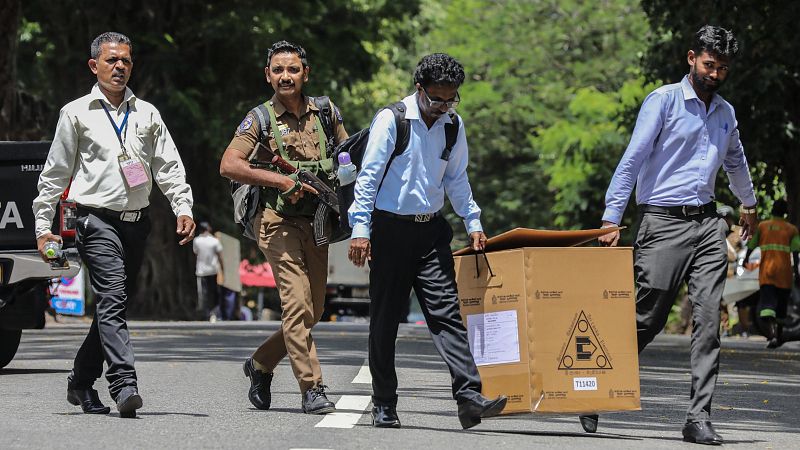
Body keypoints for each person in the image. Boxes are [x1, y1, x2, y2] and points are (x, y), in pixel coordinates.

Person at [596, 25, 757, 445]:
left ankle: (698, 418)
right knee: (646, 318)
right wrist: (612, 218)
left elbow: (736, 161)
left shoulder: (725, 113)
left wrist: (749, 203)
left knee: (708, 321)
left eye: (722, 68)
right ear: (691, 58)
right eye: (709, 65)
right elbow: (633, 159)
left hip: (708, 224)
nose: (715, 74)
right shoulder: (663, 100)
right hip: (662, 223)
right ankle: (594, 383)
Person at [32, 32, 195, 418]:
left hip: (136, 223)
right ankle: (124, 384)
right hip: (94, 220)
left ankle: (80, 381)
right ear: (94, 66)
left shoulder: (147, 114)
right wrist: (42, 226)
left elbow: (168, 166)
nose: (120, 66)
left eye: (126, 60)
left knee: (114, 304)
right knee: (113, 299)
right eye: (111, 60)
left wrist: (183, 206)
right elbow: (55, 174)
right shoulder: (76, 113)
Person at [348, 53, 507, 430]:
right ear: (419, 89)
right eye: (437, 98)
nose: (443, 106)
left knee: (447, 314)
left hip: (431, 232)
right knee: (386, 320)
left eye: (451, 99)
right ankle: (384, 403)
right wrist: (360, 229)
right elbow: (368, 178)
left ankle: (469, 397)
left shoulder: (453, 125)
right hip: (389, 230)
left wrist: (473, 221)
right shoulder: (393, 120)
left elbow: (457, 177)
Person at [219, 40, 347, 414]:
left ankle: (260, 363)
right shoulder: (259, 118)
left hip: (318, 220)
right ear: (268, 75)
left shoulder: (326, 112)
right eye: (278, 70)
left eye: (293, 69)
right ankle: (312, 388)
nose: (285, 76)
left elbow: (348, 155)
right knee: (296, 304)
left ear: (306, 73)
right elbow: (229, 164)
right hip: (276, 221)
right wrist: (281, 181)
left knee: (313, 311)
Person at [744, 199, 800, 348]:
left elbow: (751, 245)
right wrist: (797, 273)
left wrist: (746, 259)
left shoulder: (763, 226)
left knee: (767, 306)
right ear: (785, 212)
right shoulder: (791, 229)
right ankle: (778, 335)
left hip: (767, 273)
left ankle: (772, 334)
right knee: (782, 307)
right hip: (784, 274)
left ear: (772, 210)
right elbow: (796, 253)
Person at [193, 221, 224, 319]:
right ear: (208, 229)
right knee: (214, 292)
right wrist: (222, 268)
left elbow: (196, 254)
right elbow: (220, 256)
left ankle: (204, 313)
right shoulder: (214, 241)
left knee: (203, 293)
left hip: (201, 271)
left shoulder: (197, 240)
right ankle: (213, 313)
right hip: (213, 270)